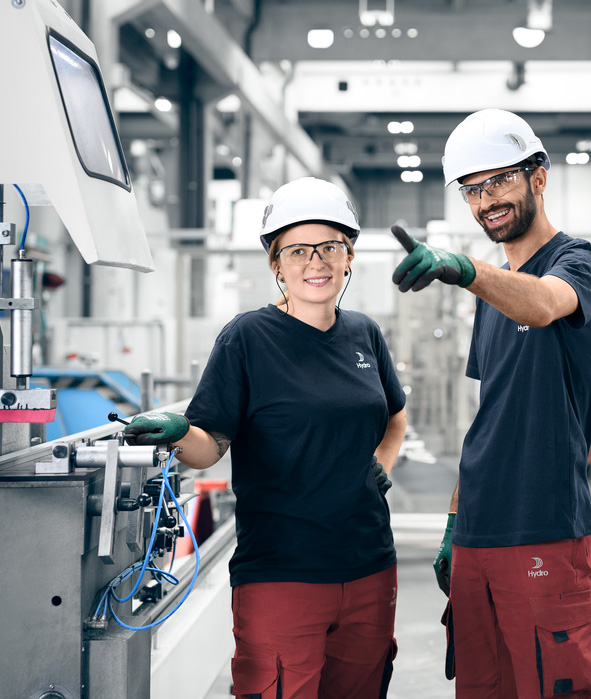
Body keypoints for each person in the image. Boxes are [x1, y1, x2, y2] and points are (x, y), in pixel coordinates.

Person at [125, 177, 408, 699]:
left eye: (330, 247)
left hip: (369, 565)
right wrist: (178, 433)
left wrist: (382, 464)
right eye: (297, 250)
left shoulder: (365, 334)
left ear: (349, 257)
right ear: (276, 265)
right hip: (281, 570)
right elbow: (211, 444)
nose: (315, 262)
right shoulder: (247, 338)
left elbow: (394, 416)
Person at [391, 109, 591, 699]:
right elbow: (489, 419)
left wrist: (464, 270)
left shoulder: (576, 263)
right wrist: (455, 520)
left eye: (499, 181)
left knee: (552, 687)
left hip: (542, 526)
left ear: (538, 177)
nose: (486, 200)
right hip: (478, 536)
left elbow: (542, 304)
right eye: (472, 189)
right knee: (481, 687)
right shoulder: (489, 298)